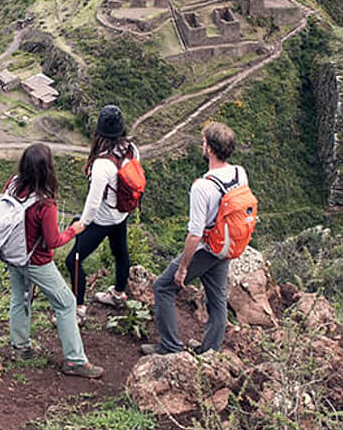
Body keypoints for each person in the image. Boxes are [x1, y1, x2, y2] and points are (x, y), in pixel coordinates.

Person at [142, 121, 245, 355]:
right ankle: (210, 351)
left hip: (208, 248)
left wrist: (183, 268)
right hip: (229, 244)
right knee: (217, 299)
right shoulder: (240, 172)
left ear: (209, 149)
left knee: (163, 287)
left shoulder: (203, 187)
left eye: (204, 142)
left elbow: (195, 234)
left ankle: (170, 348)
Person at [4, 143, 104, 379]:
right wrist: (73, 231)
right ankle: (74, 360)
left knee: (20, 297)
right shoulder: (44, 203)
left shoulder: (13, 184)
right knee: (66, 303)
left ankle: (20, 347)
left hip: (14, 254)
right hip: (36, 260)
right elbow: (51, 241)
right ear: (48, 169)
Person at [66, 105, 137, 321]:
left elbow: (94, 201)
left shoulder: (102, 165)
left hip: (102, 219)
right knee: (120, 253)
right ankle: (118, 293)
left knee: (74, 260)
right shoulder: (131, 149)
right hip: (122, 213)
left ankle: (78, 309)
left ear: (99, 133)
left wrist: (83, 223)